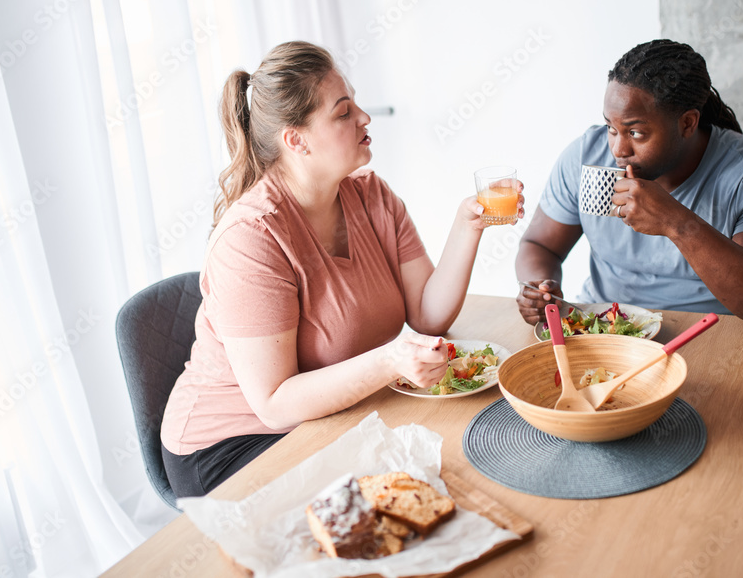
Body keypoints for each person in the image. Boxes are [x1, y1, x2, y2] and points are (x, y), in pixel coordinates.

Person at [161, 41, 524, 497]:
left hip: (326, 419)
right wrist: (392, 359)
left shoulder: (372, 196)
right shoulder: (251, 238)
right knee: (414, 490)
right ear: (296, 139)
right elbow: (274, 405)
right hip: (235, 445)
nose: (364, 119)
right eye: (344, 112)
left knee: (460, 458)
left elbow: (429, 315)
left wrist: (468, 226)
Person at [515, 39, 743, 334]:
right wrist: (538, 288)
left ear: (687, 123)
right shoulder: (586, 158)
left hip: (710, 337)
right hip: (604, 333)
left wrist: (675, 222)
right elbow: (539, 245)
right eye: (611, 128)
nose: (618, 149)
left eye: (636, 132)